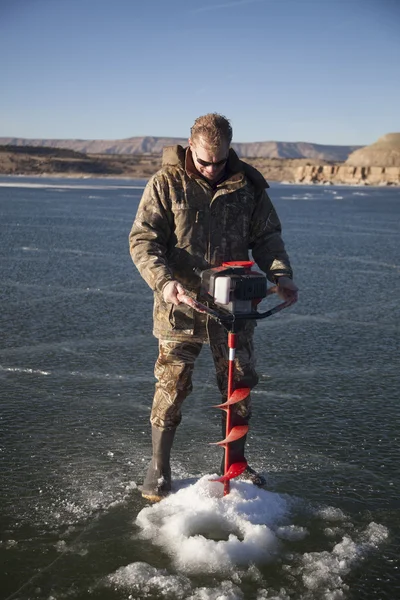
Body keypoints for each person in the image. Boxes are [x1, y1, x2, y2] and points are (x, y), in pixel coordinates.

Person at [129, 113, 298, 502]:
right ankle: (159, 465)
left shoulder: (249, 187)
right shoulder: (166, 184)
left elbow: (268, 239)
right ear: (190, 148)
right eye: (203, 161)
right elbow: (143, 241)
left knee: (238, 385)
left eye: (218, 162)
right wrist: (165, 283)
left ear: (229, 150)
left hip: (234, 307)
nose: (210, 168)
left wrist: (281, 276)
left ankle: (235, 463)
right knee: (171, 385)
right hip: (180, 306)